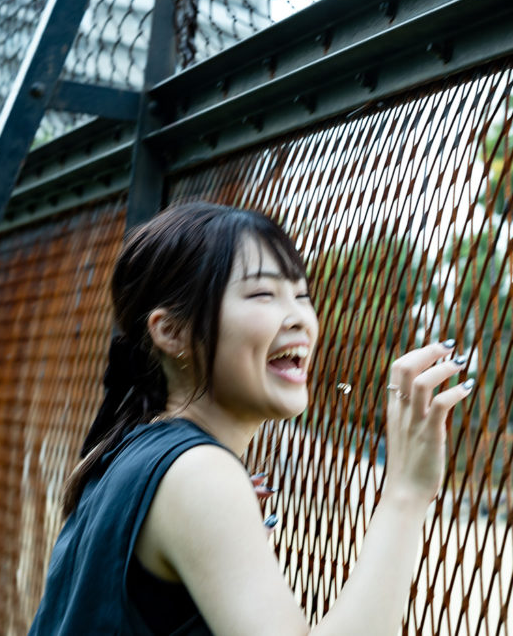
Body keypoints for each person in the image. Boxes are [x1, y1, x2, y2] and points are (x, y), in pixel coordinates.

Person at [28, 201, 474, 635]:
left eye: (301, 296)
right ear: (171, 331)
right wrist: (405, 493)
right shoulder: (197, 473)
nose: (300, 318)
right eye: (263, 294)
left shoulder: (132, 452)